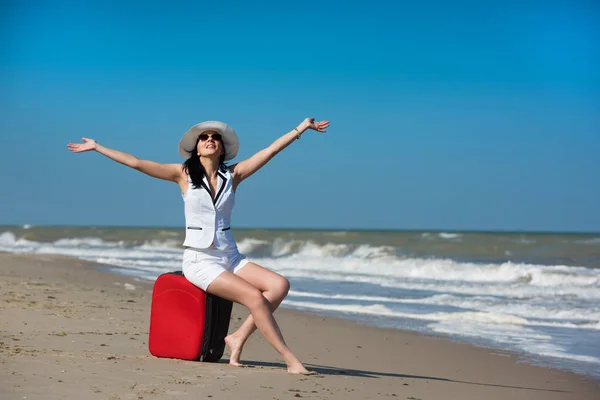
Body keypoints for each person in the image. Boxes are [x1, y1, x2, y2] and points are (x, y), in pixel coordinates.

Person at [67, 117, 330, 375]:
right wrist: (98, 147)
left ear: (222, 147)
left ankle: (237, 337)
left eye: (215, 137)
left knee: (279, 285)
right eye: (204, 137)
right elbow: (137, 163)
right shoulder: (183, 174)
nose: (209, 140)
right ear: (197, 146)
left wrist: (301, 128)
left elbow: (270, 151)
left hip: (230, 255)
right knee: (254, 297)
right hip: (200, 260)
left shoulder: (234, 174)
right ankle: (290, 359)